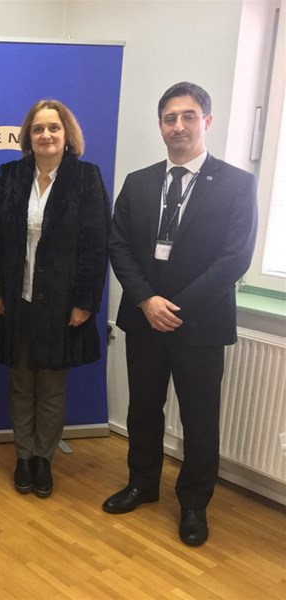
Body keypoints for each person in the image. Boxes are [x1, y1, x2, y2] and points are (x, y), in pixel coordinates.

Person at [103, 82, 257, 546]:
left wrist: (177, 308)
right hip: (145, 320)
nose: (179, 126)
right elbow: (118, 245)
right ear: (160, 125)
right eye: (170, 118)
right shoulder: (139, 182)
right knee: (143, 409)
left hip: (200, 325)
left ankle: (193, 504)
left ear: (206, 121)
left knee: (199, 418)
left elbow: (234, 258)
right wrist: (147, 300)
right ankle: (142, 484)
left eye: (189, 116)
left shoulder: (237, 184)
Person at [0, 99, 110, 499]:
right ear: (28, 136)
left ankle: (43, 458)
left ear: (67, 134)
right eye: (38, 128)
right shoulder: (10, 174)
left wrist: (85, 302)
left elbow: (96, 244)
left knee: (51, 388)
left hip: (62, 303)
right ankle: (23, 455)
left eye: (54, 127)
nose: (46, 135)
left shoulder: (86, 177)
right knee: (21, 384)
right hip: (17, 299)